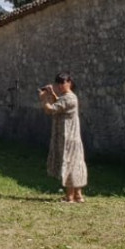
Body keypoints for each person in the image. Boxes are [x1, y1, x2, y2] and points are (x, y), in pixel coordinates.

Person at [39, 72, 88, 203]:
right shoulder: (68, 97)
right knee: (75, 164)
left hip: (68, 137)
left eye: (63, 83)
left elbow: (51, 109)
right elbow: (59, 103)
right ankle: (78, 195)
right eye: (58, 83)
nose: (60, 86)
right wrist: (52, 94)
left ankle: (69, 196)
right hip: (71, 136)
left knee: (70, 164)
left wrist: (44, 99)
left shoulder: (69, 98)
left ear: (69, 83)